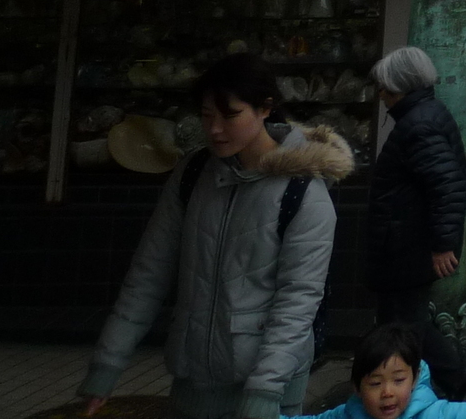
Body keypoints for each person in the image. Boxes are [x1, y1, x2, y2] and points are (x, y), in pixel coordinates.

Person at [80, 53, 352, 419]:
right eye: (207, 115)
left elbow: (297, 303)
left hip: (268, 390)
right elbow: (149, 272)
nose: (215, 129)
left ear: (265, 109)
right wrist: (108, 364)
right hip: (194, 380)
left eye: (230, 115)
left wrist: (264, 391)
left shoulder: (303, 192)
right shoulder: (193, 174)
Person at [366, 46, 466, 399]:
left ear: (402, 86)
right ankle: (453, 383)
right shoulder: (424, 116)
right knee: (412, 325)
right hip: (406, 243)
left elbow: (448, 187)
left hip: (408, 247)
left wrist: (442, 244)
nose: (382, 95)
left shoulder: (419, 125)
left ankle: (410, 393)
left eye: (386, 87)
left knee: (403, 328)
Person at [320, 324, 466, 419]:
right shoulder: (348, 414)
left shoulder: (433, 414)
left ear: (414, 379)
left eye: (398, 380)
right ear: (357, 387)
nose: (387, 392)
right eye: (375, 383)